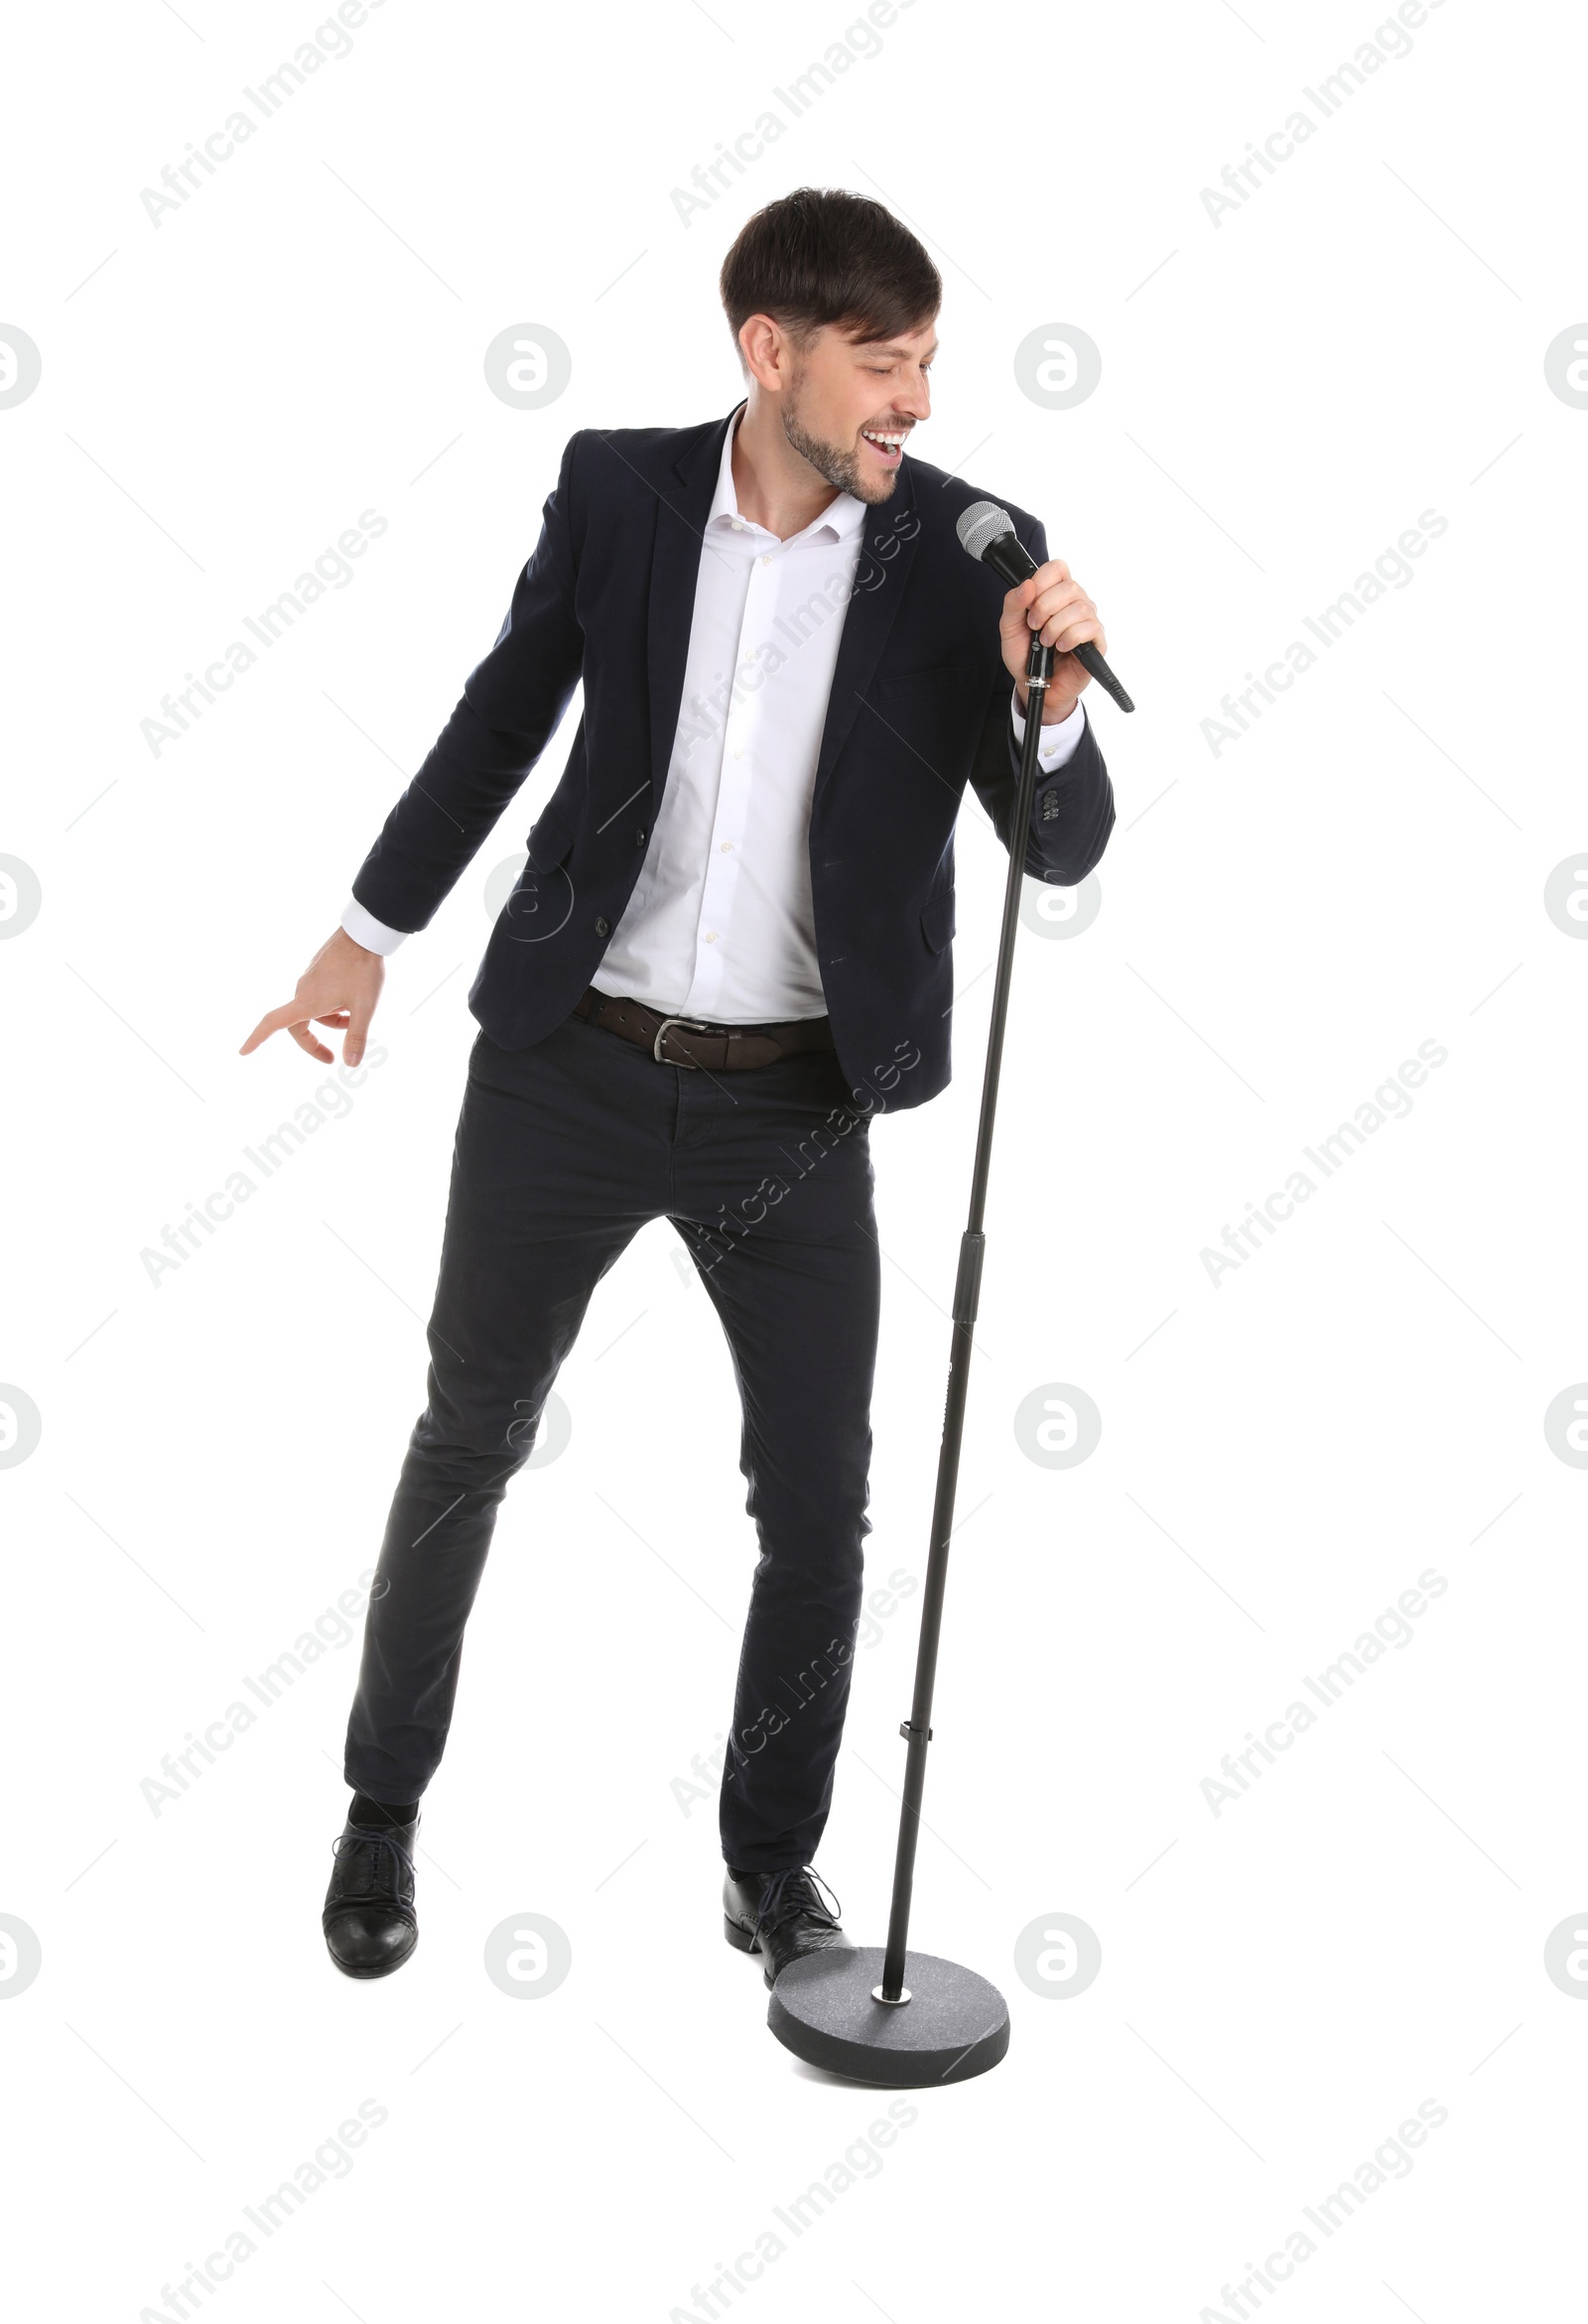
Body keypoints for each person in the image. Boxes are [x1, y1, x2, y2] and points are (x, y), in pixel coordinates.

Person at [241, 186, 1116, 1985]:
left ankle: (768, 1864)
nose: (922, 406)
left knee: (819, 1505)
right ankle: (381, 1809)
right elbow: (503, 717)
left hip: (796, 1106)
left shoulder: (969, 549)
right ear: (769, 354)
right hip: (569, 1061)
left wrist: (1052, 705)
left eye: (934, 365)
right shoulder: (621, 491)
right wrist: (363, 927)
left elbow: (1062, 843)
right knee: (465, 1431)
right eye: (889, 367)